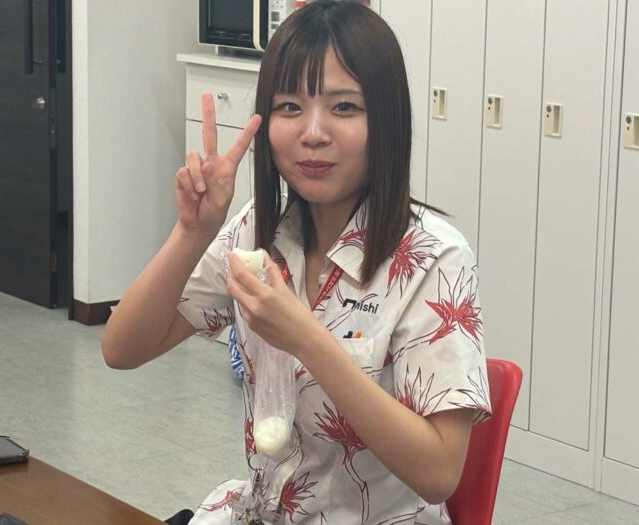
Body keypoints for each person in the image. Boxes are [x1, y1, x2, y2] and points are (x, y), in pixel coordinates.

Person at [101, 1, 491, 523]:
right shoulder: (260, 231)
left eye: (344, 107)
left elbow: (439, 473)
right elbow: (122, 349)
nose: (313, 132)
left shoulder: (433, 258)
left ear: (387, 120)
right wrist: (191, 233)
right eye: (290, 107)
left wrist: (306, 337)